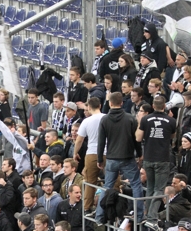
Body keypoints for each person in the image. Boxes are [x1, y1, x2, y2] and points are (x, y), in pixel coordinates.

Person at [96, 92, 143, 224]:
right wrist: (140, 155)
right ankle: (139, 216)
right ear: (122, 103)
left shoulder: (104, 119)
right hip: (128, 158)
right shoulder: (130, 119)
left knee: (107, 187)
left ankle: (99, 216)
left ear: (110, 103)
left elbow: (101, 142)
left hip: (111, 159)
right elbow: (136, 141)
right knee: (136, 185)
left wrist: (100, 159)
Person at [137, 97, 175, 222]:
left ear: (153, 106)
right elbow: (172, 137)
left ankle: (147, 213)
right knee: (159, 189)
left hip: (148, 157)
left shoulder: (145, 119)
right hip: (163, 158)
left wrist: (139, 123)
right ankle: (151, 216)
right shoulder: (171, 121)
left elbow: (138, 138)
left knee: (150, 188)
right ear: (164, 106)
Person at [75, 97, 104, 213]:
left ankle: (87, 208)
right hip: (108, 153)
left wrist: (75, 153)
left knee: (90, 181)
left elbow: (79, 140)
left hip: (92, 152)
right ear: (100, 106)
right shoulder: (107, 118)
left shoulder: (86, 121)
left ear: (89, 107)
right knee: (112, 181)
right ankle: (113, 204)